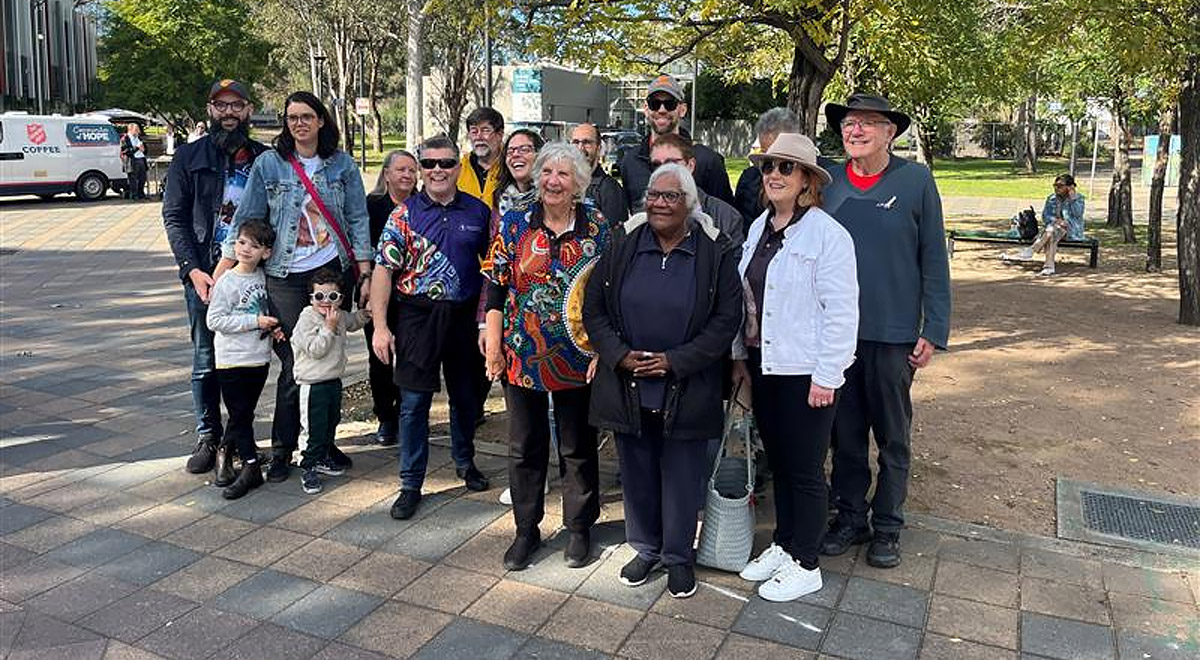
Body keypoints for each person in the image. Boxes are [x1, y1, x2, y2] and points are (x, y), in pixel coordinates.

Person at [584, 163, 743, 599]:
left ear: (689, 204)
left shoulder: (714, 253)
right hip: (629, 382)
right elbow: (593, 308)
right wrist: (618, 356)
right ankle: (645, 548)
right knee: (636, 471)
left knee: (681, 474)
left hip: (687, 384)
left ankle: (678, 557)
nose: (658, 203)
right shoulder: (623, 244)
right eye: (653, 195)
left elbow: (726, 319)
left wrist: (676, 361)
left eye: (670, 196)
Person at [820, 93, 951, 569]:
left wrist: (933, 329)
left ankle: (888, 526)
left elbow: (934, 259)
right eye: (849, 123)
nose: (854, 131)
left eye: (867, 124)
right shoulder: (827, 181)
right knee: (845, 434)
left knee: (893, 437)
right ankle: (850, 517)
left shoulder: (915, 181)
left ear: (890, 132)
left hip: (894, 335)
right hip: (839, 336)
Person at [215, 90, 372, 483]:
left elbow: (357, 218)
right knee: (295, 363)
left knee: (330, 359)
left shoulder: (342, 166)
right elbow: (247, 217)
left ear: (321, 121)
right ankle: (285, 447)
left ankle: (322, 444)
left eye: (306, 116)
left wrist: (365, 272)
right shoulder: (270, 164)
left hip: (331, 271)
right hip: (284, 275)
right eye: (292, 117)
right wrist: (225, 267)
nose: (298, 123)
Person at [730, 134, 858, 602]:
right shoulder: (761, 226)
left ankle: (807, 561)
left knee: (804, 468)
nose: (775, 175)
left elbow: (842, 313)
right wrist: (741, 359)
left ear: (806, 179)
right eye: (769, 167)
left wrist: (828, 375)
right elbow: (748, 301)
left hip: (807, 369)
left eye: (786, 168)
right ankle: (785, 543)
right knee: (780, 463)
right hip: (766, 363)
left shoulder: (827, 235)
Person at [482, 142, 610, 571]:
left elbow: (610, 293)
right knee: (525, 447)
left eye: (564, 174)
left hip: (579, 355)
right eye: (548, 173)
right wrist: (494, 345)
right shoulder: (516, 222)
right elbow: (496, 288)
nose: (554, 181)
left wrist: (604, 349)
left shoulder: (597, 225)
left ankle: (578, 528)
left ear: (578, 183)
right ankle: (526, 530)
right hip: (522, 355)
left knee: (577, 446)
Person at [370, 135, 493, 521]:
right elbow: (383, 271)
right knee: (413, 404)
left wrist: (487, 322)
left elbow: (493, 271)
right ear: (421, 169)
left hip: (463, 318)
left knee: (466, 398)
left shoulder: (478, 211)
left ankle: (464, 461)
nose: (437, 170)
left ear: (458, 167)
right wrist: (379, 327)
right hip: (417, 318)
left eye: (445, 163)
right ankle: (410, 483)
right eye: (429, 164)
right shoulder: (403, 215)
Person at [164, 78, 268, 477]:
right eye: (220, 105)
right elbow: (175, 217)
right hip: (205, 275)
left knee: (252, 360)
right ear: (210, 110)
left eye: (236, 105)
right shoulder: (189, 157)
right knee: (206, 360)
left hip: (253, 276)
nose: (228, 112)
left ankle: (240, 438)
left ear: (248, 109)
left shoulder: (264, 158)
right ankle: (209, 434)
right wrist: (193, 271)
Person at [204, 220, 282, 499]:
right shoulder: (227, 280)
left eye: (255, 245)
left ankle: (226, 453)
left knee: (243, 414)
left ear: (267, 253)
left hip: (258, 359)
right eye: (241, 242)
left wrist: (274, 326)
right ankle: (250, 467)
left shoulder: (263, 278)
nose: (246, 249)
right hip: (232, 359)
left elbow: (265, 311)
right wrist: (255, 322)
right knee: (240, 414)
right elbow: (214, 320)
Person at [292, 269, 370, 494]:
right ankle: (308, 466)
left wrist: (366, 314)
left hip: (333, 380)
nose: (326, 302)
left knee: (330, 423)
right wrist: (328, 328)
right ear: (311, 298)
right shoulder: (307, 319)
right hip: (312, 383)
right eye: (319, 297)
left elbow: (353, 321)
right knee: (313, 428)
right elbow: (315, 350)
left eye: (332, 297)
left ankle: (324, 454)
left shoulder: (338, 315)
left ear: (340, 299)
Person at [365, 150, 420, 446]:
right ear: (386, 173)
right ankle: (386, 416)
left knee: (411, 355)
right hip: (378, 291)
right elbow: (361, 247)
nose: (407, 176)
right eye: (400, 170)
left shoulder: (423, 207)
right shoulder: (372, 206)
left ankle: (407, 412)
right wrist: (364, 281)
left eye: (412, 170)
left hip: (413, 295)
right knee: (381, 357)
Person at [619, 74, 733, 212]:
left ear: (682, 109)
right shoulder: (630, 161)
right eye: (654, 104)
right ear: (646, 109)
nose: (662, 110)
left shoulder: (708, 161)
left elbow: (725, 217)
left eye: (670, 104)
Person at [648, 132, 744, 252]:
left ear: (691, 165)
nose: (663, 171)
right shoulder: (641, 221)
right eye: (656, 165)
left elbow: (733, 267)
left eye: (671, 163)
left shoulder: (727, 217)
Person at [734, 108, 802, 230]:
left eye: (784, 163)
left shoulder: (818, 184)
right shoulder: (749, 179)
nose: (774, 173)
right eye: (765, 154)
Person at [1003, 174, 1086, 276]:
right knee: (1052, 234)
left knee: (1052, 231)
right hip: (1053, 230)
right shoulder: (1052, 198)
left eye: (1060, 186)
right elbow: (1045, 216)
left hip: (1072, 231)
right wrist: (1056, 220)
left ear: (1069, 187)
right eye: (1055, 185)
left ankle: (1031, 250)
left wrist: (1072, 198)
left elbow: (1078, 214)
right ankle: (1049, 267)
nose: (1056, 188)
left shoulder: (1078, 199)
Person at [571, 122, 628, 225]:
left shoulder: (609, 189)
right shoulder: (565, 182)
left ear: (598, 148)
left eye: (587, 142)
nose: (580, 148)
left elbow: (614, 236)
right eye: (576, 142)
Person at [458, 107, 506, 209]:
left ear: (500, 135)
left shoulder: (510, 167)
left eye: (485, 131)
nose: (478, 137)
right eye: (474, 131)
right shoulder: (459, 169)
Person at [493, 129, 545, 217]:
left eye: (524, 150)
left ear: (540, 155)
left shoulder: (551, 197)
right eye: (510, 152)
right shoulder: (499, 199)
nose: (515, 155)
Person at [121, 122, 149, 200]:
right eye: (136, 130)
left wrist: (144, 149)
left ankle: (141, 193)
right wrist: (137, 148)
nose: (138, 132)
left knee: (143, 178)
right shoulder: (125, 138)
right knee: (133, 179)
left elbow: (144, 148)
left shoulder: (138, 138)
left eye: (138, 130)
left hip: (141, 159)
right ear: (130, 130)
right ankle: (134, 194)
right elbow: (126, 151)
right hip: (132, 160)